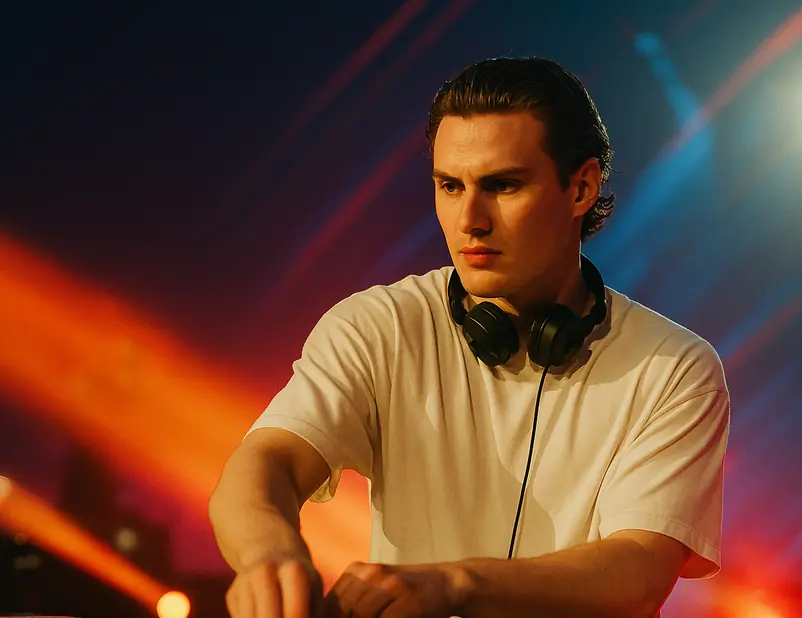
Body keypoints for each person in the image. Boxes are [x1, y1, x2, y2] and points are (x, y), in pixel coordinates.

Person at [209, 56, 731, 618]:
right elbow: (269, 461)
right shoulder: (377, 327)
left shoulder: (675, 368)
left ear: (581, 188)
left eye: (502, 186)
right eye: (450, 186)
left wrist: (454, 584)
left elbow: (637, 571)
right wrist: (269, 555)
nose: (470, 220)